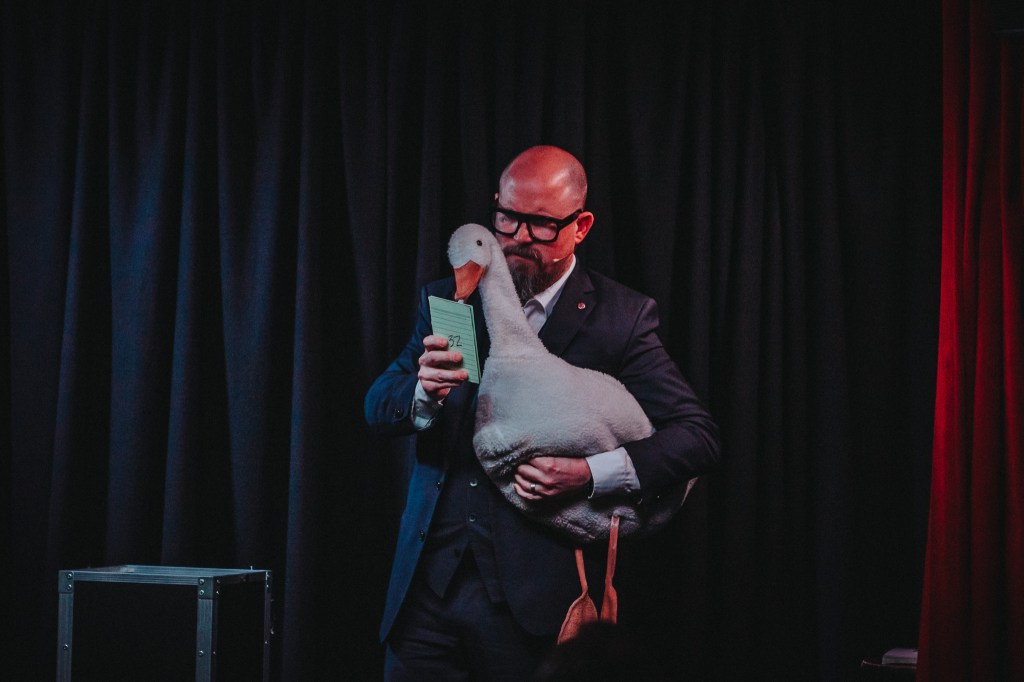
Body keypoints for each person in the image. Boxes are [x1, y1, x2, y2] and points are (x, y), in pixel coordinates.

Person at [364, 145, 720, 680]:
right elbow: (377, 404)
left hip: (533, 609)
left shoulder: (621, 319)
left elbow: (697, 437)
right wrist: (422, 393)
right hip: (425, 599)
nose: (518, 237)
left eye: (542, 224)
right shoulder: (452, 298)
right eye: (507, 217)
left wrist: (588, 474)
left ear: (581, 226)